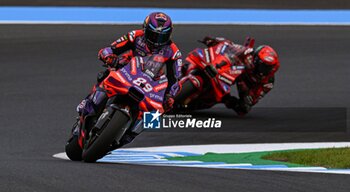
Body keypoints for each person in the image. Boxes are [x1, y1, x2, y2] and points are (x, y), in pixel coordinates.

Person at [76, 12, 182, 147]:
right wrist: (109, 56)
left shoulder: (174, 52)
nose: (157, 41)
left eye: (162, 36)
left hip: (149, 82)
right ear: (145, 30)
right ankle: (89, 102)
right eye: (154, 35)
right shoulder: (135, 36)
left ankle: (130, 135)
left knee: (159, 112)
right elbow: (110, 48)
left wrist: (170, 96)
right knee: (106, 74)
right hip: (127, 70)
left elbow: (176, 79)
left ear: (170, 34)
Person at [181, 36, 280, 115]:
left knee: (238, 107)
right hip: (221, 69)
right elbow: (228, 45)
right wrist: (214, 41)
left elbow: (252, 100)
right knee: (185, 66)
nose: (261, 68)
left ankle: (184, 106)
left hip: (235, 84)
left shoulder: (267, 82)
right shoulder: (247, 53)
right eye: (260, 63)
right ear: (255, 57)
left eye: (265, 67)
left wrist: (246, 100)